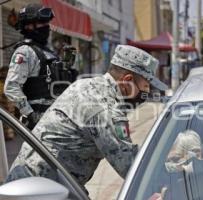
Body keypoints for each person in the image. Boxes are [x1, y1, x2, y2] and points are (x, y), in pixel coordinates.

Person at [5, 45, 168, 188]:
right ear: (127, 80)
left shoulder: (87, 84)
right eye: (146, 86)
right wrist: (175, 172)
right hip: (39, 189)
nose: (147, 92)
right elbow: (132, 167)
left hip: (44, 182)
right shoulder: (105, 110)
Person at [4, 3, 77, 130]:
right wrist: (30, 114)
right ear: (28, 26)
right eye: (41, 23)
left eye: (46, 23)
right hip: (40, 123)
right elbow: (11, 87)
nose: (46, 26)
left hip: (57, 119)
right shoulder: (25, 51)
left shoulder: (47, 51)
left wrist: (67, 69)